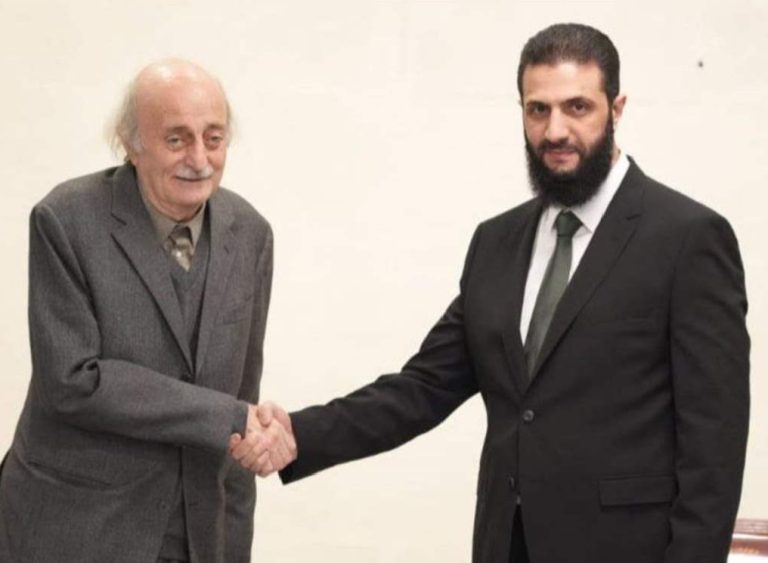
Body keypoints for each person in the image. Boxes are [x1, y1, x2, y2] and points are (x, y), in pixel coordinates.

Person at [239, 23, 750, 563]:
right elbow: (423, 387)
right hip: (505, 544)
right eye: (538, 110)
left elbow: (714, 445)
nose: (555, 130)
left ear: (616, 108)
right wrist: (298, 435)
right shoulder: (496, 242)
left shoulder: (688, 239)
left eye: (577, 107)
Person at [0, 59, 295, 563]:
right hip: (74, 529)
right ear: (130, 144)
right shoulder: (64, 220)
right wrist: (231, 416)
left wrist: (232, 542)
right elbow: (74, 382)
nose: (199, 159)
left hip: (194, 533)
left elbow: (242, 400)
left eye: (214, 139)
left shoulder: (252, 234)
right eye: (176, 139)